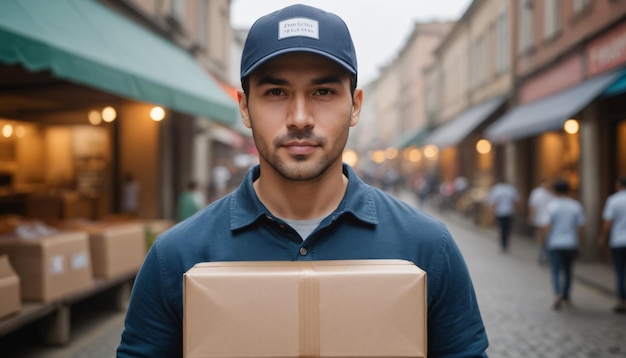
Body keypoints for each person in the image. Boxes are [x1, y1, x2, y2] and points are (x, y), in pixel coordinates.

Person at [117, 4, 488, 357]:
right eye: (276, 92)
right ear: (245, 107)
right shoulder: (176, 258)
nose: (299, 118)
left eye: (323, 92)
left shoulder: (427, 248)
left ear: (355, 105)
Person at [539, 179, 585, 311]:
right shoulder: (575, 205)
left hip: (555, 243)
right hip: (570, 243)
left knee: (555, 270)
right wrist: (579, 242)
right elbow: (580, 228)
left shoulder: (551, 206)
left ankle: (557, 292)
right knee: (568, 270)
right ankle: (566, 295)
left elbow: (546, 226)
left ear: (555, 191)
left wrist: (543, 242)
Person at [599, 176, 626, 313]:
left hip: (619, 241)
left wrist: (603, 237)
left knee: (620, 271)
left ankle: (622, 300)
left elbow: (608, 222)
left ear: (618, 185)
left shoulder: (613, 200)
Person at [486, 177, 519, 252]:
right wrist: (515, 211)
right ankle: (505, 242)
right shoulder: (511, 189)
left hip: (500, 212)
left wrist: (492, 212)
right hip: (509, 212)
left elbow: (493, 202)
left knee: (502, 228)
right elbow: (515, 202)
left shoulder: (496, 189)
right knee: (508, 229)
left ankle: (503, 243)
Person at [528, 178, 555, 264]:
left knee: (550, 238)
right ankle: (543, 254)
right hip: (541, 219)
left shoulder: (553, 193)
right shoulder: (537, 193)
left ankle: (546, 254)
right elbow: (532, 205)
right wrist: (531, 217)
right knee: (543, 238)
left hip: (551, 220)